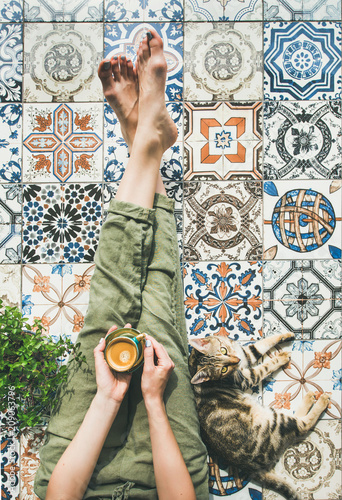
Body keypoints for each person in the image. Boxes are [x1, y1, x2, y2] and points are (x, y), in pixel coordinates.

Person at [34, 29, 209, 499]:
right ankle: (146, 139)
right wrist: (151, 398)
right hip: (166, 477)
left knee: (112, 290)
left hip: (78, 470)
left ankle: (146, 140)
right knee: (159, 299)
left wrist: (110, 396)